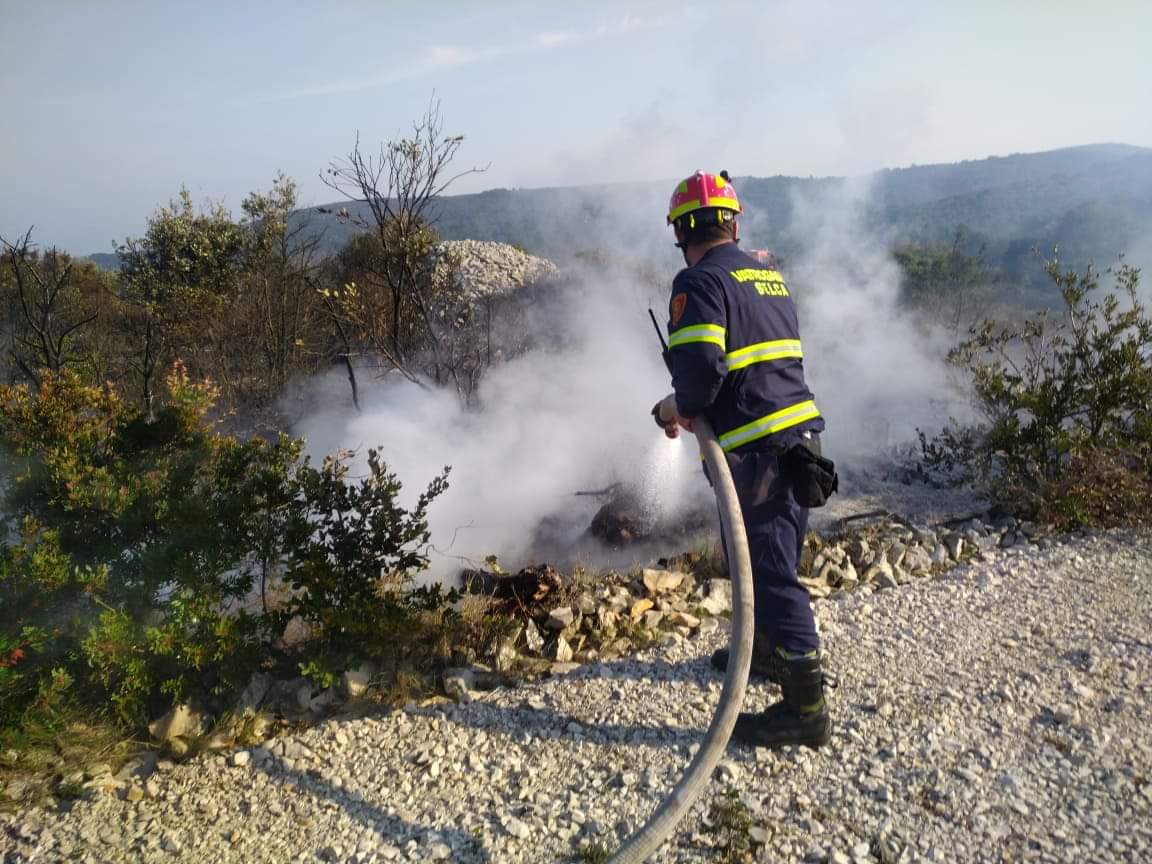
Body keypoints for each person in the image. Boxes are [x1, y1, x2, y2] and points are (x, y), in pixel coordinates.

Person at [651, 170, 831, 749]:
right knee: (754, 560)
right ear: (733, 221)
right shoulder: (767, 276)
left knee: (772, 576)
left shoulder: (698, 282)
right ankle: (768, 652)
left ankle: (805, 711)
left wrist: (677, 405)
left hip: (760, 454)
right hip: (795, 440)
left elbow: (702, 367)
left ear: (682, 230)